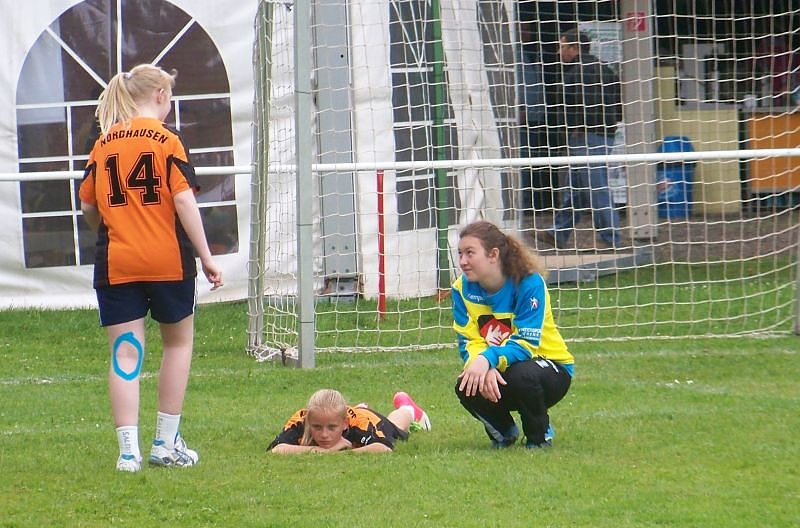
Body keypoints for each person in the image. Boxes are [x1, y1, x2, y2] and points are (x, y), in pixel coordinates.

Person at [79, 64, 223, 472]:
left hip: (117, 261)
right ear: (160, 94)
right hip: (167, 259)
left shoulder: (103, 143)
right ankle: (165, 442)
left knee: (126, 355)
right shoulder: (168, 140)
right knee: (177, 345)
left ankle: (129, 452)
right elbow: (182, 200)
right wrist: (207, 255)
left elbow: (89, 205)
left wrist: (112, 229)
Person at [452, 221, 573, 449]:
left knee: (522, 375)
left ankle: (539, 438)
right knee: (465, 384)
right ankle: (504, 433)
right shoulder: (460, 289)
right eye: (460, 254)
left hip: (551, 369)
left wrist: (488, 360)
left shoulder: (528, 283)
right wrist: (481, 365)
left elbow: (526, 344)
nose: (462, 261)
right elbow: (468, 340)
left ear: (493, 255)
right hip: (502, 368)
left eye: (470, 253)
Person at [537, 28, 623, 249]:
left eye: (562, 46)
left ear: (575, 48)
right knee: (575, 188)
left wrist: (578, 127)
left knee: (596, 188)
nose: (558, 52)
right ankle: (559, 232)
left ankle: (610, 239)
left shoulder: (579, 72)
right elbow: (618, 105)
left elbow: (585, 103)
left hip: (587, 137)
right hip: (602, 134)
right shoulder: (606, 70)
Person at [268, 389, 431, 454]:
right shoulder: (301, 420)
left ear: (345, 423)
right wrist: (326, 452)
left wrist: (347, 452)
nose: (324, 434)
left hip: (367, 417)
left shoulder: (361, 425)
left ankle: (408, 408)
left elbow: (384, 448)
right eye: (317, 427)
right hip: (348, 414)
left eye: (332, 427)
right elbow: (277, 450)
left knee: (396, 428)